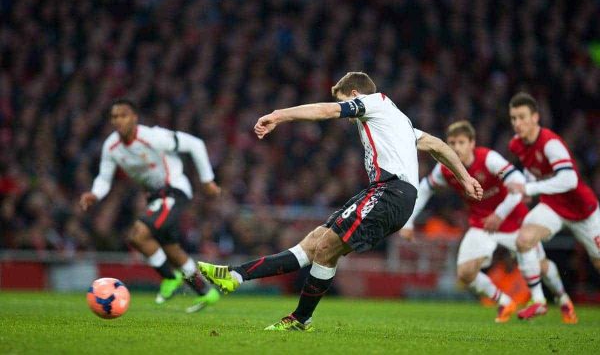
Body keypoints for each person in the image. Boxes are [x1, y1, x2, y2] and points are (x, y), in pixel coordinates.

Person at [197, 72, 483, 331]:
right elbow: (437, 145)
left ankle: (301, 319)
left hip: (391, 192)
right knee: (312, 243)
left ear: (356, 95)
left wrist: (278, 115)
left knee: (326, 248)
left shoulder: (374, 103)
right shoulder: (400, 122)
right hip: (384, 192)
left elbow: (326, 110)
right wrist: (466, 177)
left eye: (345, 101)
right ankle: (234, 276)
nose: (347, 113)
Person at [400, 120, 576, 324]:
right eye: (452, 143)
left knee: (542, 267)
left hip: (513, 221)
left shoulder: (489, 159)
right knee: (465, 273)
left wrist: (500, 213)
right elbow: (425, 188)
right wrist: (408, 222)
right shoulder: (445, 169)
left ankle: (563, 300)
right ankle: (504, 301)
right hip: (482, 224)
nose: (456, 148)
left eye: (461, 142)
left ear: (472, 143)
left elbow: (518, 182)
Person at [80, 99, 220, 313]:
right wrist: (95, 194)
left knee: (138, 235)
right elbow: (104, 178)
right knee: (172, 250)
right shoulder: (112, 146)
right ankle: (206, 293)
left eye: (123, 115)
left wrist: (207, 180)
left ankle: (169, 278)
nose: (118, 120)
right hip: (155, 198)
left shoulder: (153, 137)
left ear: (134, 118)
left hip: (173, 189)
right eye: (114, 116)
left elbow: (195, 144)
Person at [506, 92, 600, 320]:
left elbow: (570, 180)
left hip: (583, 211)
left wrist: (530, 189)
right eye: (513, 118)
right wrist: (528, 183)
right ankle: (539, 300)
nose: (517, 123)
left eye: (522, 117)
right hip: (553, 207)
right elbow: (531, 167)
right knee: (524, 240)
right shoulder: (517, 145)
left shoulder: (550, 143)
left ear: (535, 117)